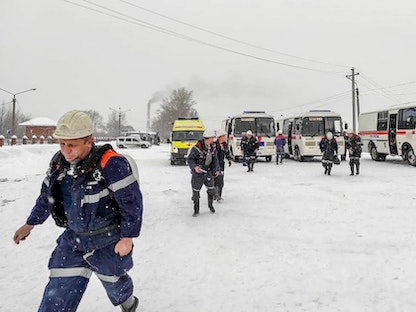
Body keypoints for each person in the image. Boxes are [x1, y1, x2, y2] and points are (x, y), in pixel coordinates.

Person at [13, 110, 143, 312]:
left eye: (72, 145)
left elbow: (131, 203)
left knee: (115, 285)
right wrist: (30, 224)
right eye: (62, 144)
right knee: (56, 295)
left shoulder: (110, 164)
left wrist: (127, 237)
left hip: (107, 241)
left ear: (89, 141)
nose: (66, 151)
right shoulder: (59, 164)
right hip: (73, 241)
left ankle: (129, 305)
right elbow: (46, 197)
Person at [187, 130, 220, 217]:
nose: (213, 140)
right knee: (196, 193)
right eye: (212, 138)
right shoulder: (196, 148)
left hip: (208, 173)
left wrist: (216, 170)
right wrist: (195, 167)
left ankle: (211, 206)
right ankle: (196, 210)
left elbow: (215, 160)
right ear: (207, 139)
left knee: (211, 190)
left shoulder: (212, 148)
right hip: (198, 174)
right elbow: (190, 159)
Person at [214, 130, 232, 202]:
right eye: (224, 136)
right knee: (215, 180)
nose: (225, 138)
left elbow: (227, 153)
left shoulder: (224, 145)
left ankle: (219, 196)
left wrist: (229, 159)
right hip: (214, 165)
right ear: (219, 137)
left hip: (221, 165)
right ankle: (214, 195)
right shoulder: (215, 145)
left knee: (220, 181)